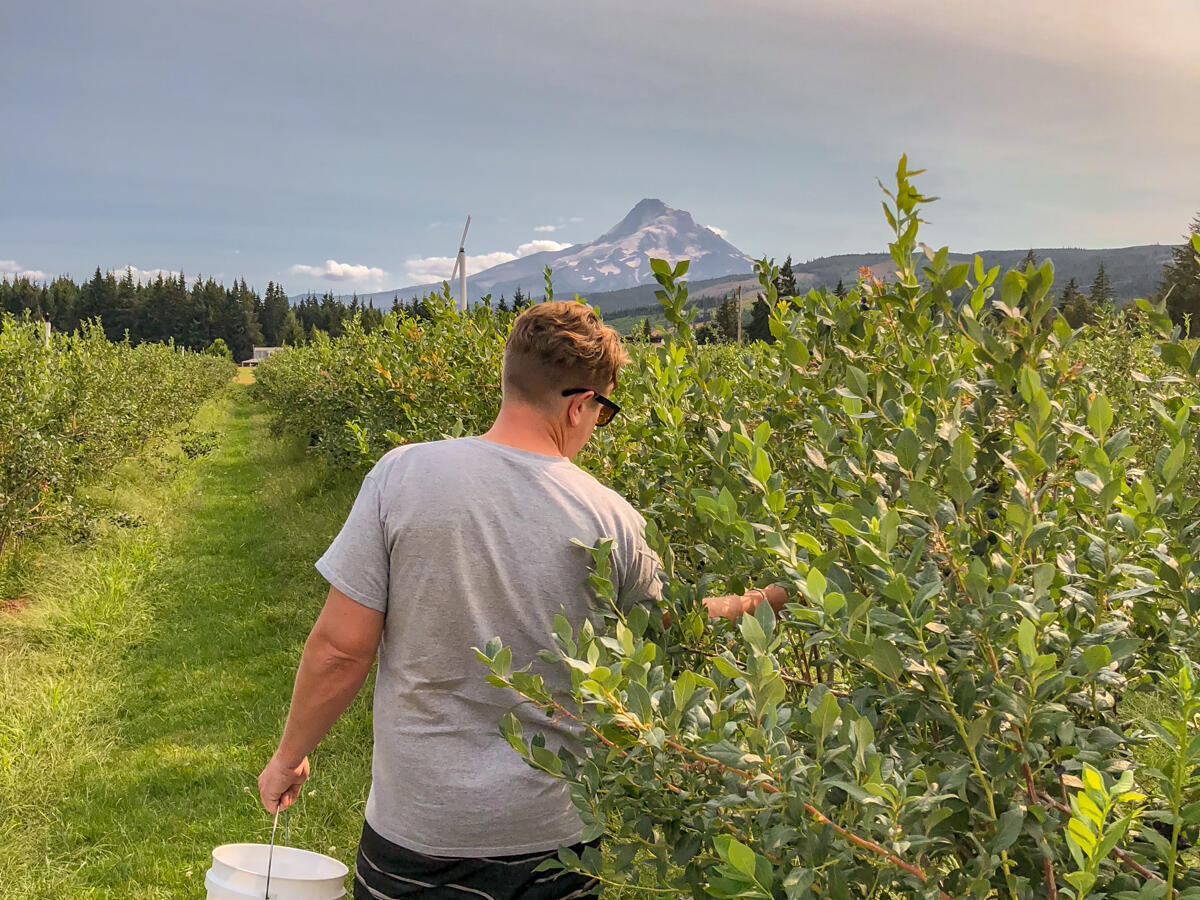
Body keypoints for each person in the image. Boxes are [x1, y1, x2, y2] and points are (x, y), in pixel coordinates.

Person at [257, 301, 787, 899]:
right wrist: (759, 601)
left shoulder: (401, 476)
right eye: (603, 413)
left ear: (510, 378)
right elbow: (673, 627)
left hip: (422, 829)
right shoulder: (612, 519)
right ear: (580, 404)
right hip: (554, 840)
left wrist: (289, 757)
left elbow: (340, 651)